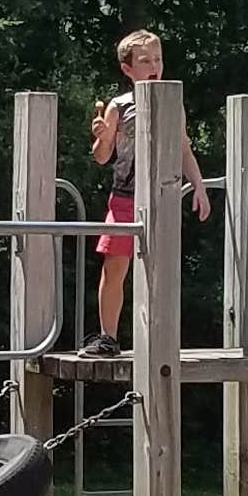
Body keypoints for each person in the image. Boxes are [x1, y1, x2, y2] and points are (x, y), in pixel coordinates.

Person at [87, 27, 209, 348]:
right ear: (128, 70)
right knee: (115, 268)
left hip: (160, 198)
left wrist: (199, 186)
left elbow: (183, 148)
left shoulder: (173, 103)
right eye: (145, 61)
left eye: (158, 58)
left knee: (160, 270)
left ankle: (159, 339)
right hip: (125, 197)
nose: (154, 65)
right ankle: (108, 337)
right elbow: (102, 157)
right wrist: (101, 135)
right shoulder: (119, 105)